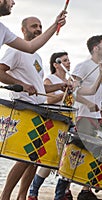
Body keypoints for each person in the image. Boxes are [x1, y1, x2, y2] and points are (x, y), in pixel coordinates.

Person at [0, 17, 67, 200]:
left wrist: (58, 87)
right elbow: (0, 72)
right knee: (25, 158)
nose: (38, 29)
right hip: (24, 109)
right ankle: (5, 196)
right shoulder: (15, 50)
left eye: (40, 26)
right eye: (34, 26)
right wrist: (20, 84)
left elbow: (38, 88)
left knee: (34, 160)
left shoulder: (36, 56)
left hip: (38, 108)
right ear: (23, 30)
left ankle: (22, 197)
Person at [28, 52, 73, 200]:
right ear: (55, 64)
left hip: (68, 122)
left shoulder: (70, 80)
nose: (68, 63)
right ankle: (33, 192)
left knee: (67, 159)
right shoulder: (49, 79)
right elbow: (49, 100)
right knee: (49, 162)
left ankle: (60, 195)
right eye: (64, 60)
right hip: (54, 122)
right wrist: (65, 93)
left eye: (68, 60)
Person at [71, 35, 102, 200]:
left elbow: (96, 92)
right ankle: (64, 191)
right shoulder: (83, 66)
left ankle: (86, 190)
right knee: (79, 151)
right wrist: (88, 103)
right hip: (83, 115)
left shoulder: (101, 67)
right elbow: (74, 91)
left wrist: (100, 109)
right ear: (96, 48)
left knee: (92, 152)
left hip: (95, 115)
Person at [0, 0, 67, 53]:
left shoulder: (3, 30)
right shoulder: (12, 52)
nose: (13, 2)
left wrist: (55, 25)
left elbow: (30, 47)